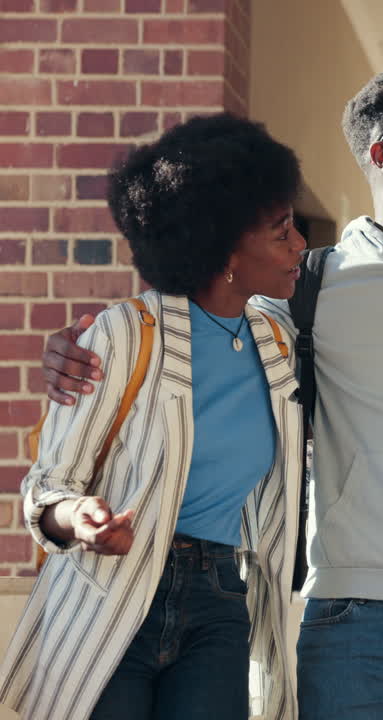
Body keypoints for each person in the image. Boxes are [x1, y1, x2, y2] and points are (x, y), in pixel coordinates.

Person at [36, 64, 383, 720]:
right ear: (382, 153)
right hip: (349, 614)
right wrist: (73, 349)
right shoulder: (306, 290)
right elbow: (194, 325)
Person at [0, 114, 306, 720]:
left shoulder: (278, 340)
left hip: (221, 593)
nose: (300, 245)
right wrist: (79, 520)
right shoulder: (123, 334)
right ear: (224, 250)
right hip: (112, 590)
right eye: (281, 233)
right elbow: (47, 485)